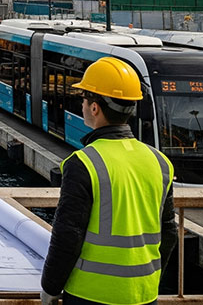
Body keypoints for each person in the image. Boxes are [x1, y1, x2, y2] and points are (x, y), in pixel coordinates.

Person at [40, 57, 177, 305]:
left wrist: (50, 287)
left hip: (90, 294)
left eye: (83, 98)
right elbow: (168, 232)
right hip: (144, 293)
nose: (81, 104)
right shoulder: (160, 162)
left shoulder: (82, 163)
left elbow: (67, 236)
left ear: (95, 108)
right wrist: (151, 279)